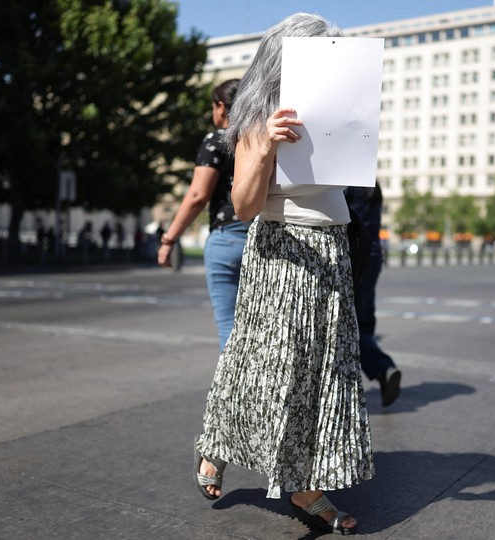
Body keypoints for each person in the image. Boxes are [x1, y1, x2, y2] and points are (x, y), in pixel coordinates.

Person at [193, 13, 373, 535]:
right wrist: (268, 144)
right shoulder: (256, 116)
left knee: (323, 371)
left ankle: (304, 483)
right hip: (282, 253)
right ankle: (217, 447)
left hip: (330, 255)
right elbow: (245, 205)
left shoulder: (338, 109)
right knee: (261, 365)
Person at [158, 78, 246, 351]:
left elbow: (197, 195)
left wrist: (169, 239)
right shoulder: (259, 140)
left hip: (227, 236)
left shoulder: (217, 140)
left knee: (230, 331)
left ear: (221, 107)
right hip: (260, 237)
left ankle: (232, 393)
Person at [345, 182, 402, 407]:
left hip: (354, 254)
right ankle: (382, 373)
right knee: (364, 317)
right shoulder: (372, 186)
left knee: (349, 323)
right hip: (374, 255)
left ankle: (381, 368)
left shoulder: (347, 182)